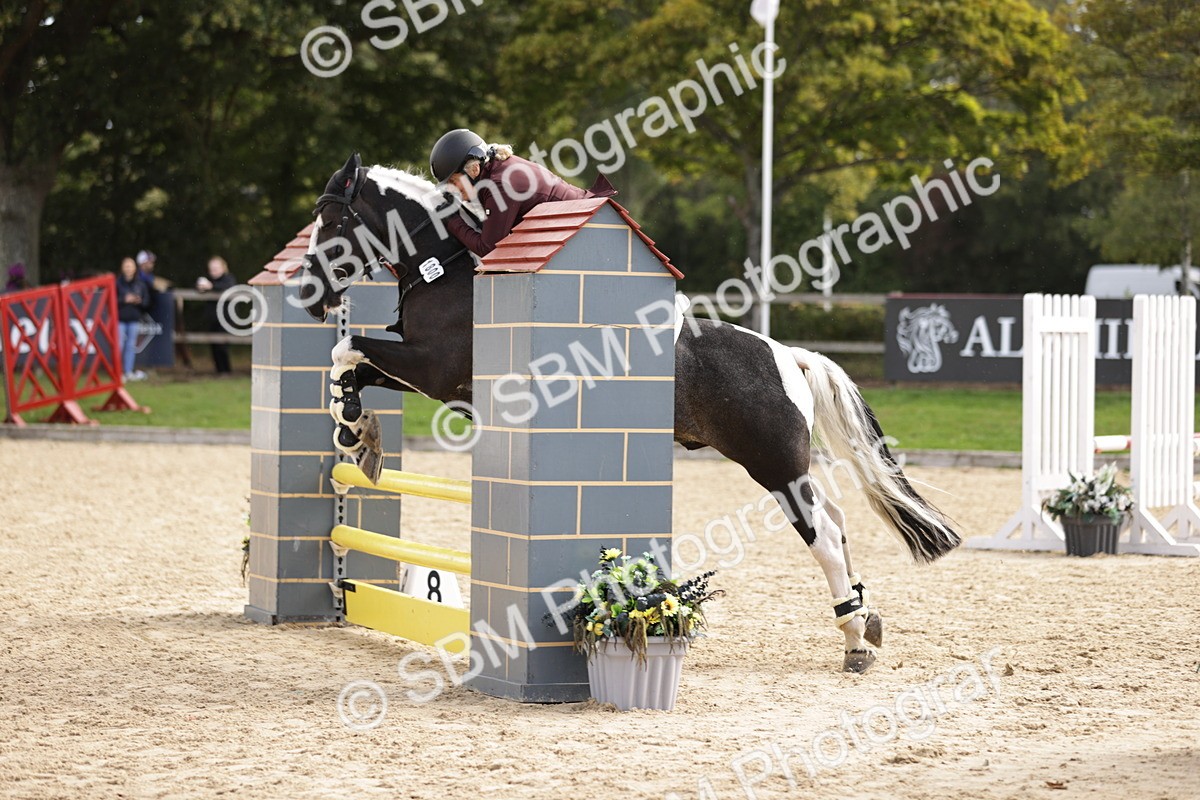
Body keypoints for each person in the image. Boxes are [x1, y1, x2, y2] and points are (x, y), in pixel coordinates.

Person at [430, 128, 616, 257]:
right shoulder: (495, 170)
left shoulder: (500, 184)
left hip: (585, 234)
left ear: (474, 170)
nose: (453, 189)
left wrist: (452, 221)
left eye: (454, 181)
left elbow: (489, 249)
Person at [195, 255, 236, 374]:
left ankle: (226, 371)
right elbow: (198, 287)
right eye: (211, 269)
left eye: (216, 268)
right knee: (213, 345)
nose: (213, 271)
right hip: (213, 318)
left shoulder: (229, 278)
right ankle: (219, 371)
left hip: (226, 318)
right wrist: (201, 287)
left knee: (222, 346)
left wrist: (211, 287)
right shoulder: (209, 280)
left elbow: (227, 287)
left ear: (223, 268)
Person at [116, 257, 149, 381]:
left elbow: (147, 302)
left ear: (135, 268)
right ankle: (118, 372)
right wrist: (124, 300)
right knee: (119, 345)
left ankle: (128, 371)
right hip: (120, 319)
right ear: (122, 268)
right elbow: (111, 301)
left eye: (130, 266)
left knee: (130, 345)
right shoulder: (117, 283)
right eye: (126, 266)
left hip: (134, 319)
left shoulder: (140, 284)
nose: (128, 268)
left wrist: (139, 301)